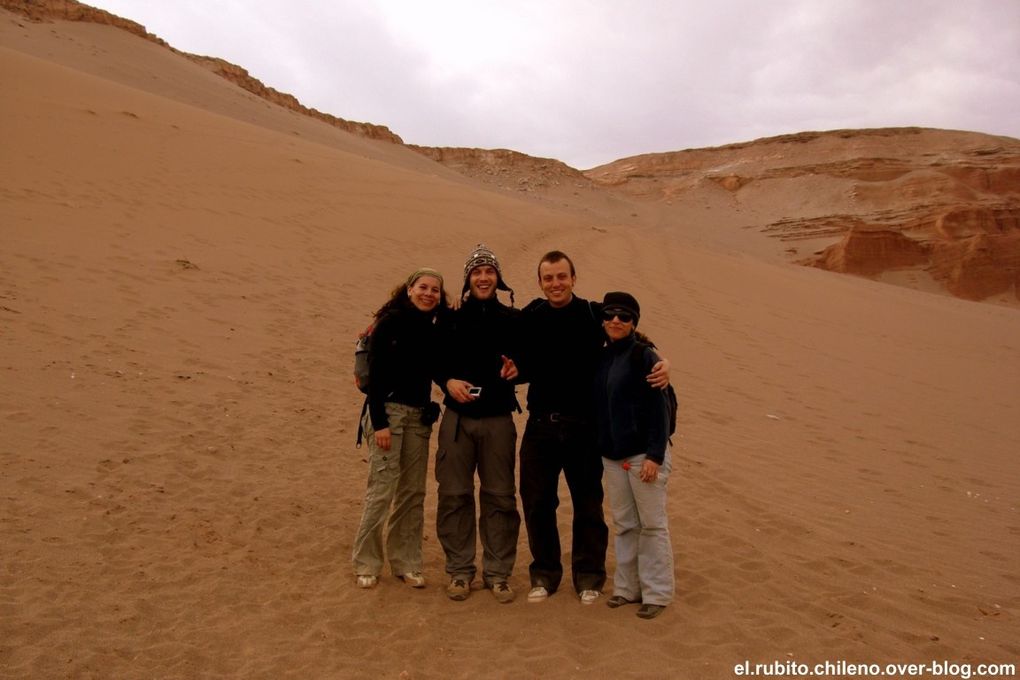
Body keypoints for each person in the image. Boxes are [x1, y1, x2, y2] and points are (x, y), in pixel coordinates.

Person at [517, 251, 670, 606]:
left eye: (561, 276)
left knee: (588, 503)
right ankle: (544, 572)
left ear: (573, 277)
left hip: (584, 427)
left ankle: (589, 575)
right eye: (548, 278)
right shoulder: (531, 315)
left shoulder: (592, 313)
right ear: (540, 282)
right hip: (540, 426)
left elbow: (630, 329)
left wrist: (663, 361)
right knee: (538, 502)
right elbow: (507, 348)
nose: (555, 284)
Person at [434, 244, 522, 603]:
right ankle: (459, 571)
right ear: (468, 279)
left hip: (499, 419)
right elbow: (432, 357)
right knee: (454, 494)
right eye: (476, 272)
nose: (483, 277)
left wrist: (521, 370)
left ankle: (498, 573)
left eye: (489, 271)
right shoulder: (450, 317)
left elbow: (533, 357)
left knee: (500, 497)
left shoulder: (514, 320)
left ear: (498, 278)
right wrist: (446, 382)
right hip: (457, 421)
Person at [352, 268, 449, 589]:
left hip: (418, 418)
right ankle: (367, 563)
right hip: (387, 416)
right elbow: (377, 375)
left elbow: (435, 371)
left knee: (413, 492)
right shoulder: (391, 321)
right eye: (423, 287)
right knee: (382, 489)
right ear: (409, 290)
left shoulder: (434, 329)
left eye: (435, 290)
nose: (429, 294)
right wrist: (379, 422)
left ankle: (406, 562)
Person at [594, 291, 675, 620]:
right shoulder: (602, 356)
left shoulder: (645, 356)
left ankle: (657, 592)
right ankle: (627, 589)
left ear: (633, 322)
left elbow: (661, 410)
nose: (616, 320)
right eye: (611, 314)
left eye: (624, 316)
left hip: (645, 456)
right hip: (613, 457)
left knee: (652, 525)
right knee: (626, 524)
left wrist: (655, 455)